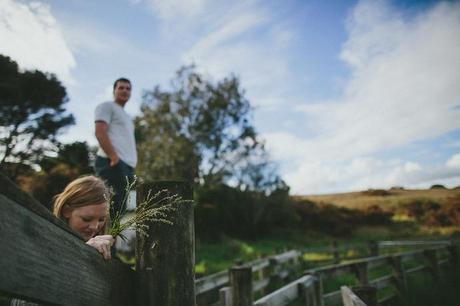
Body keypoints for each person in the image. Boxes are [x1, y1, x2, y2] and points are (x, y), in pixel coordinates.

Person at [94, 78, 137, 220]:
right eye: (121, 88)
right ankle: (97, 242)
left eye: (128, 88)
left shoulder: (127, 117)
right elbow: (100, 132)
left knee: (119, 211)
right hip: (112, 163)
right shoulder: (107, 106)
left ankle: (110, 243)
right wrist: (114, 157)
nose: (125, 91)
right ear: (114, 91)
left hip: (126, 166)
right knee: (108, 210)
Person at [53, 175, 114, 260]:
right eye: (87, 219)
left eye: (101, 219)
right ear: (66, 211)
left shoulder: (105, 246)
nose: (94, 227)